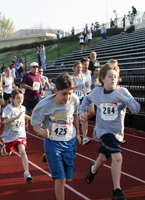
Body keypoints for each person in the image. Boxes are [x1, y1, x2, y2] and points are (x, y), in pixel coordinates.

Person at [80, 63, 140, 200]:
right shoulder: (97, 92)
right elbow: (86, 99)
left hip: (117, 133)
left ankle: (93, 170)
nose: (113, 79)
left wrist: (124, 99)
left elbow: (136, 109)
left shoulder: (122, 92)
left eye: (115, 77)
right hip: (102, 131)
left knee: (104, 156)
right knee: (117, 157)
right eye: (110, 76)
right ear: (102, 78)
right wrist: (82, 111)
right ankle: (117, 190)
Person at [31, 73, 81, 200]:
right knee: (61, 178)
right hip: (53, 143)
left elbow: (75, 115)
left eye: (70, 93)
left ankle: (48, 156)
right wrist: (41, 132)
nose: (67, 97)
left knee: (69, 178)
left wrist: (78, 133)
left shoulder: (75, 100)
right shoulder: (45, 105)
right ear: (56, 90)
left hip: (70, 141)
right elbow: (35, 124)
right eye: (64, 94)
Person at [1, 89, 32, 183]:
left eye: (22, 98)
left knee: (23, 152)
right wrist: (16, 117)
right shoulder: (8, 109)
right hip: (9, 135)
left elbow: (23, 116)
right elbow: (5, 121)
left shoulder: (23, 108)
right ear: (12, 99)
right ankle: (5, 148)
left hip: (20, 134)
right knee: (7, 153)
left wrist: (33, 119)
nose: (20, 100)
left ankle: (27, 173)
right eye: (18, 98)